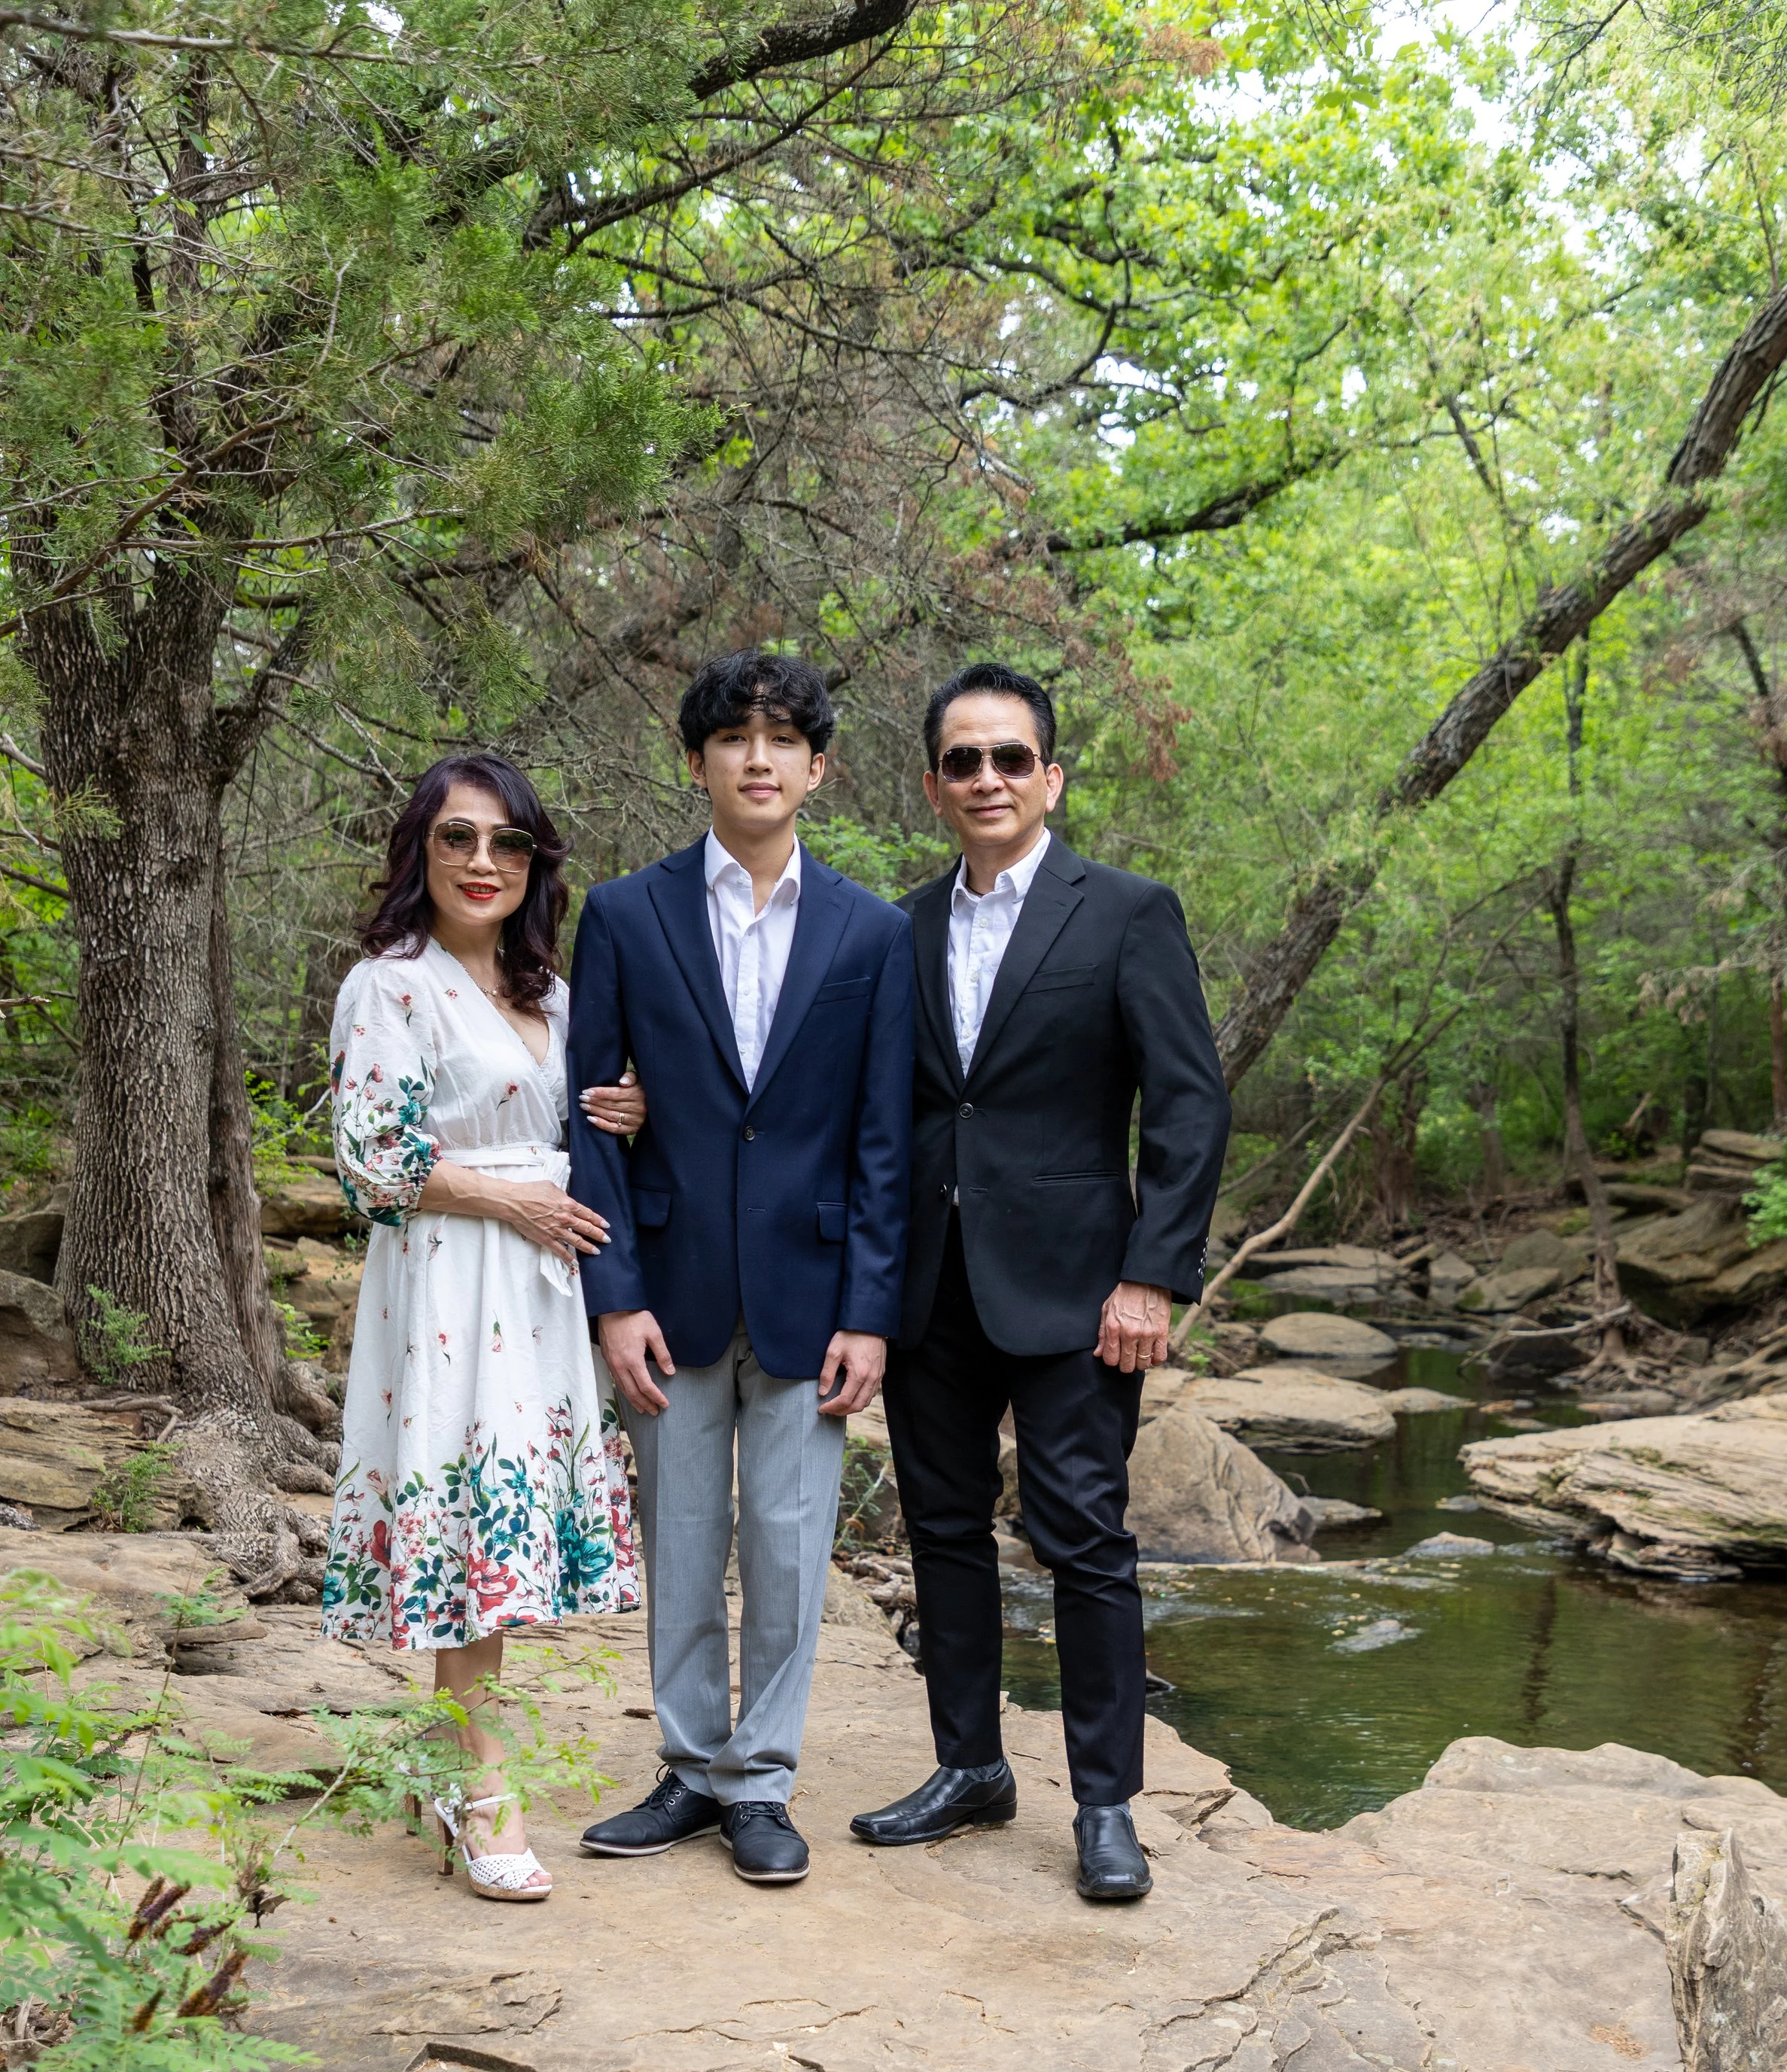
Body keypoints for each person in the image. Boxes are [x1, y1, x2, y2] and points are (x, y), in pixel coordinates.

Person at [848, 663, 1231, 1900]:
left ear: (1050, 776)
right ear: (933, 785)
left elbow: (1188, 1104)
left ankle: (1107, 1804)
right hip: (928, 1286)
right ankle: (970, 1769)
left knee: (1085, 1538)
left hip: (1080, 1292)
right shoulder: (893, 930)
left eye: (1011, 758)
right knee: (946, 1532)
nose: (988, 779)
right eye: (964, 760)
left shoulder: (1124, 911)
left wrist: (1153, 1278)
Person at [567, 649, 914, 1886]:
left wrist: (872, 1312)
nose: (756, 759)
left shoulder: (874, 931)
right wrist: (615, 1298)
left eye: (781, 741)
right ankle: (687, 1768)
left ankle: (762, 1781)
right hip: (664, 1285)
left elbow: (883, 1138)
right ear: (699, 761)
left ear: (816, 769)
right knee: (680, 1535)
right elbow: (588, 1116)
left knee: (785, 1540)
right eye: (733, 739)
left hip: (813, 1297)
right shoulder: (623, 914)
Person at [321, 754, 640, 1903]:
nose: (482, 862)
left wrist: (624, 1113)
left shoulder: (551, 993)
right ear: (422, 852)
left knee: (493, 1530)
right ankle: (481, 1784)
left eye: (506, 843)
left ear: (534, 862)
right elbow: (374, 1159)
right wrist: (511, 1199)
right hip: (452, 1281)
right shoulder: (389, 985)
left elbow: (571, 1127)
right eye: (457, 838)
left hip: (541, 1292)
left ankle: (450, 1759)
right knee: (468, 1525)